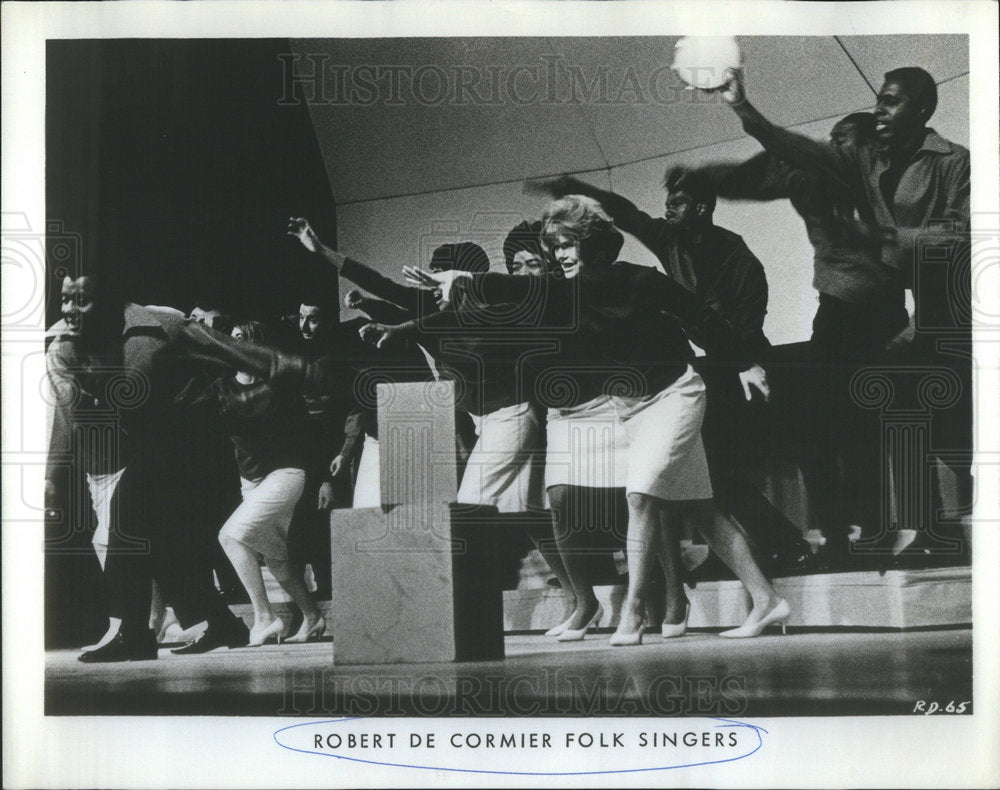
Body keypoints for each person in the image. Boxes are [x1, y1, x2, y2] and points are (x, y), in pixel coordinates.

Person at [408, 195, 788, 643]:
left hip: (676, 395)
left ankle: (633, 612)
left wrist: (745, 361)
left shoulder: (639, 281)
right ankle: (767, 601)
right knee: (702, 510)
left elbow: (702, 318)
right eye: (556, 247)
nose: (560, 256)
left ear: (590, 243)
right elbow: (517, 290)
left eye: (567, 244)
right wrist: (463, 280)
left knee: (640, 496)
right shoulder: (566, 292)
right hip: (632, 409)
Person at [712, 66, 971, 566]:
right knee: (882, 415)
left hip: (944, 303)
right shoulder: (867, 158)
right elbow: (798, 154)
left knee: (939, 423)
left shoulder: (952, 162)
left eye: (892, 101)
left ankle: (937, 527)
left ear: (921, 109)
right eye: (879, 98)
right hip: (890, 305)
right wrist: (744, 108)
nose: (880, 108)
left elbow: (961, 237)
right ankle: (891, 531)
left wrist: (889, 242)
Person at [529, 172, 814, 577]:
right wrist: (578, 187)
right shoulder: (669, 238)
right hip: (692, 365)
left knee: (715, 471)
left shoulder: (736, 255)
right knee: (701, 475)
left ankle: (785, 544)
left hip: (730, 364)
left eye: (677, 203)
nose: (668, 210)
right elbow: (625, 213)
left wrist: (745, 364)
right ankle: (739, 554)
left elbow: (742, 324)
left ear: (702, 208)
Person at [676, 112, 909, 568]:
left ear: (864, 149)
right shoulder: (811, 176)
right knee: (822, 428)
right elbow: (760, 176)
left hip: (878, 314)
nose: (833, 145)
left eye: (843, 139)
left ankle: (873, 528)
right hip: (839, 312)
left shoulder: (880, 179)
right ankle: (839, 533)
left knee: (863, 428)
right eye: (833, 138)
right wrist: (706, 178)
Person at [215, 321, 325, 645]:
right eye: (230, 340)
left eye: (240, 339)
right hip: (249, 480)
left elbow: (308, 431)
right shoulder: (222, 386)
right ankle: (313, 616)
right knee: (275, 556)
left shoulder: (278, 384)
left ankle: (265, 618)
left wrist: (324, 478)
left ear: (255, 345)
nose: (232, 345)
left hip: (286, 473)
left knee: (231, 537)